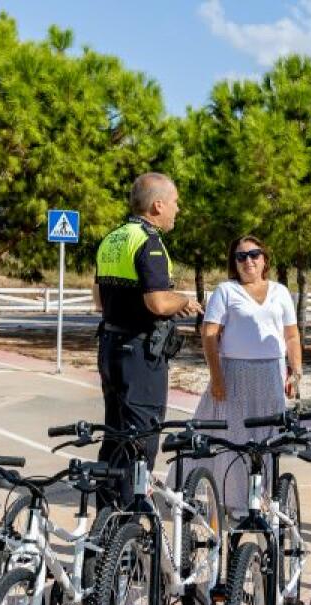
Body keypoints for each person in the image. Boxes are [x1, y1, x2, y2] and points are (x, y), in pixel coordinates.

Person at [95, 172, 202, 496]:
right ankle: (130, 520)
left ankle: (108, 520)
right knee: (140, 438)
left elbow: (99, 299)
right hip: (140, 354)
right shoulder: (149, 242)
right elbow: (157, 301)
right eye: (175, 203)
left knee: (114, 436)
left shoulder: (112, 238)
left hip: (110, 347)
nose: (178, 210)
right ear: (157, 205)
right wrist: (183, 301)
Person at [194, 235, 302, 517]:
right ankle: (236, 503)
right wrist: (217, 378)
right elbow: (209, 334)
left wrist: (296, 370)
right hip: (235, 372)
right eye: (240, 257)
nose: (248, 261)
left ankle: (262, 497)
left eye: (254, 254)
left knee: (268, 437)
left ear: (264, 259)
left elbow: (291, 335)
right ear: (234, 262)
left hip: (271, 373)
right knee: (237, 438)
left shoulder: (280, 292)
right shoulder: (226, 291)